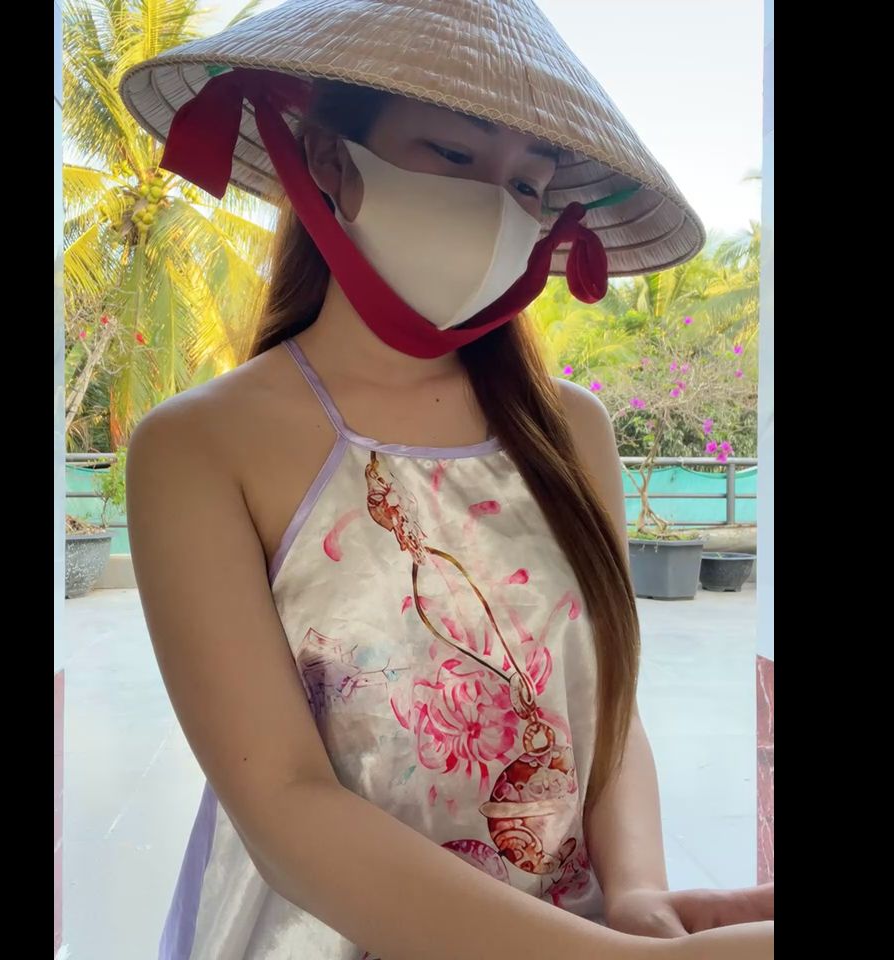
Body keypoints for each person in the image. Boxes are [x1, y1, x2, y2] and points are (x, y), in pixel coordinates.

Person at [119, 2, 774, 958]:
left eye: (529, 183)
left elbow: (606, 708)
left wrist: (637, 897)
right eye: (455, 153)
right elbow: (284, 803)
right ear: (330, 159)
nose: (496, 206)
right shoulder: (196, 447)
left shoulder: (572, 430)